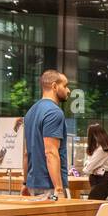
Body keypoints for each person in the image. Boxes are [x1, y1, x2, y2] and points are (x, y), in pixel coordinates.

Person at [22, 70, 70, 200]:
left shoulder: (30, 112)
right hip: (50, 186)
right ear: (54, 86)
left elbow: (27, 153)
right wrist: (59, 189)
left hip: (33, 184)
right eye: (65, 86)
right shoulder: (54, 113)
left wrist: (25, 183)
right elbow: (51, 152)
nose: (68, 90)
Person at [83, 122, 108, 200]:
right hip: (102, 179)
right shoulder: (104, 148)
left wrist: (86, 167)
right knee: (96, 206)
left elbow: (89, 167)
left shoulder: (101, 149)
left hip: (100, 180)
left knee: (92, 206)